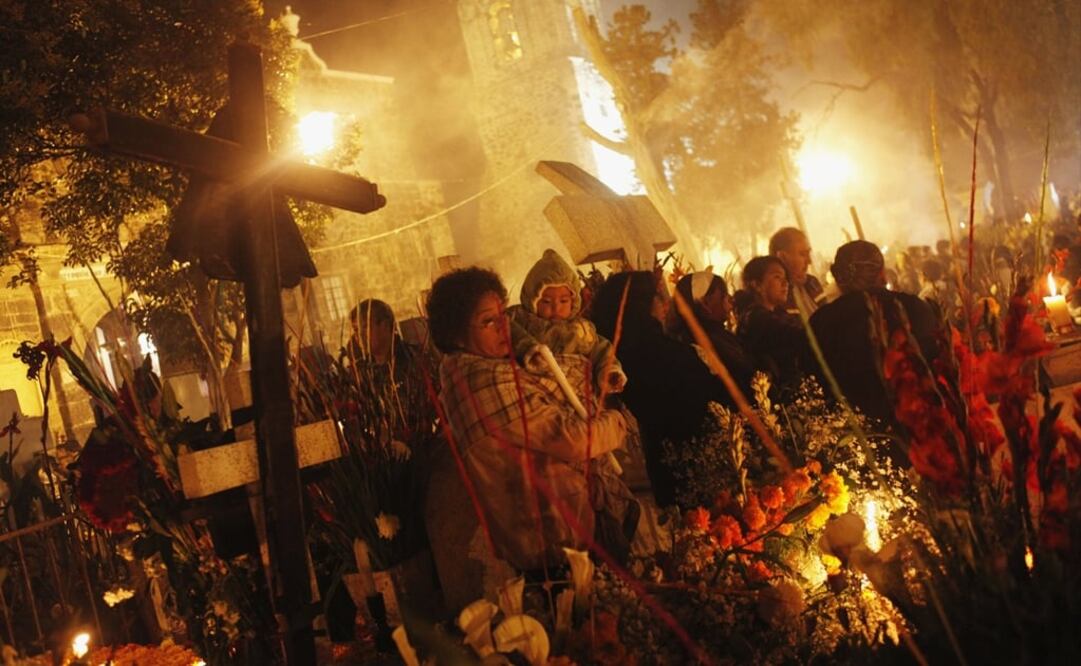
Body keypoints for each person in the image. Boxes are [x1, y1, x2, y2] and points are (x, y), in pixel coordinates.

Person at [429, 267, 630, 572]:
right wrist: (616, 422)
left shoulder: (487, 368)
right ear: (456, 333)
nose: (503, 328)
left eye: (502, 317)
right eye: (488, 321)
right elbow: (572, 438)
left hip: (566, 526)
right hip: (556, 541)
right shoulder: (481, 382)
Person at [590, 271, 732, 508]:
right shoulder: (664, 354)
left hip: (666, 474)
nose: (666, 304)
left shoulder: (614, 356)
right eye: (658, 296)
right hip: (697, 471)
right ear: (641, 304)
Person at [809, 240, 942, 424]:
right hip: (919, 425)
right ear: (882, 274)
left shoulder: (821, 321)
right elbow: (937, 364)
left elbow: (818, 381)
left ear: (839, 278)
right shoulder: (912, 307)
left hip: (859, 432)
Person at [508, 249, 625, 392]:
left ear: (574, 301)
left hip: (578, 387)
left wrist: (608, 372)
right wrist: (529, 349)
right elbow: (508, 330)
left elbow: (601, 351)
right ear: (531, 300)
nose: (556, 307)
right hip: (538, 384)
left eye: (563, 301)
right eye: (546, 301)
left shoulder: (582, 328)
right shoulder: (521, 317)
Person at [666, 271, 756, 396]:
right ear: (705, 303)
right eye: (723, 296)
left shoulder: (718, 335)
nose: (730, 302)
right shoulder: (705, 342)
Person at [735, 256, 809, 392]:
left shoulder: (776, 314)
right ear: (756, 285)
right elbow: (800, 338)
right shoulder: (758, 319)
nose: (785, 283)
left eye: (786, 278)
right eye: (777, 277)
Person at [769, 227, 824, 314]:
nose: (809, 261)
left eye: (808, 253)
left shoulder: (812, 283)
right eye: (802, 254)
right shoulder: (778, 299)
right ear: (782, 257)